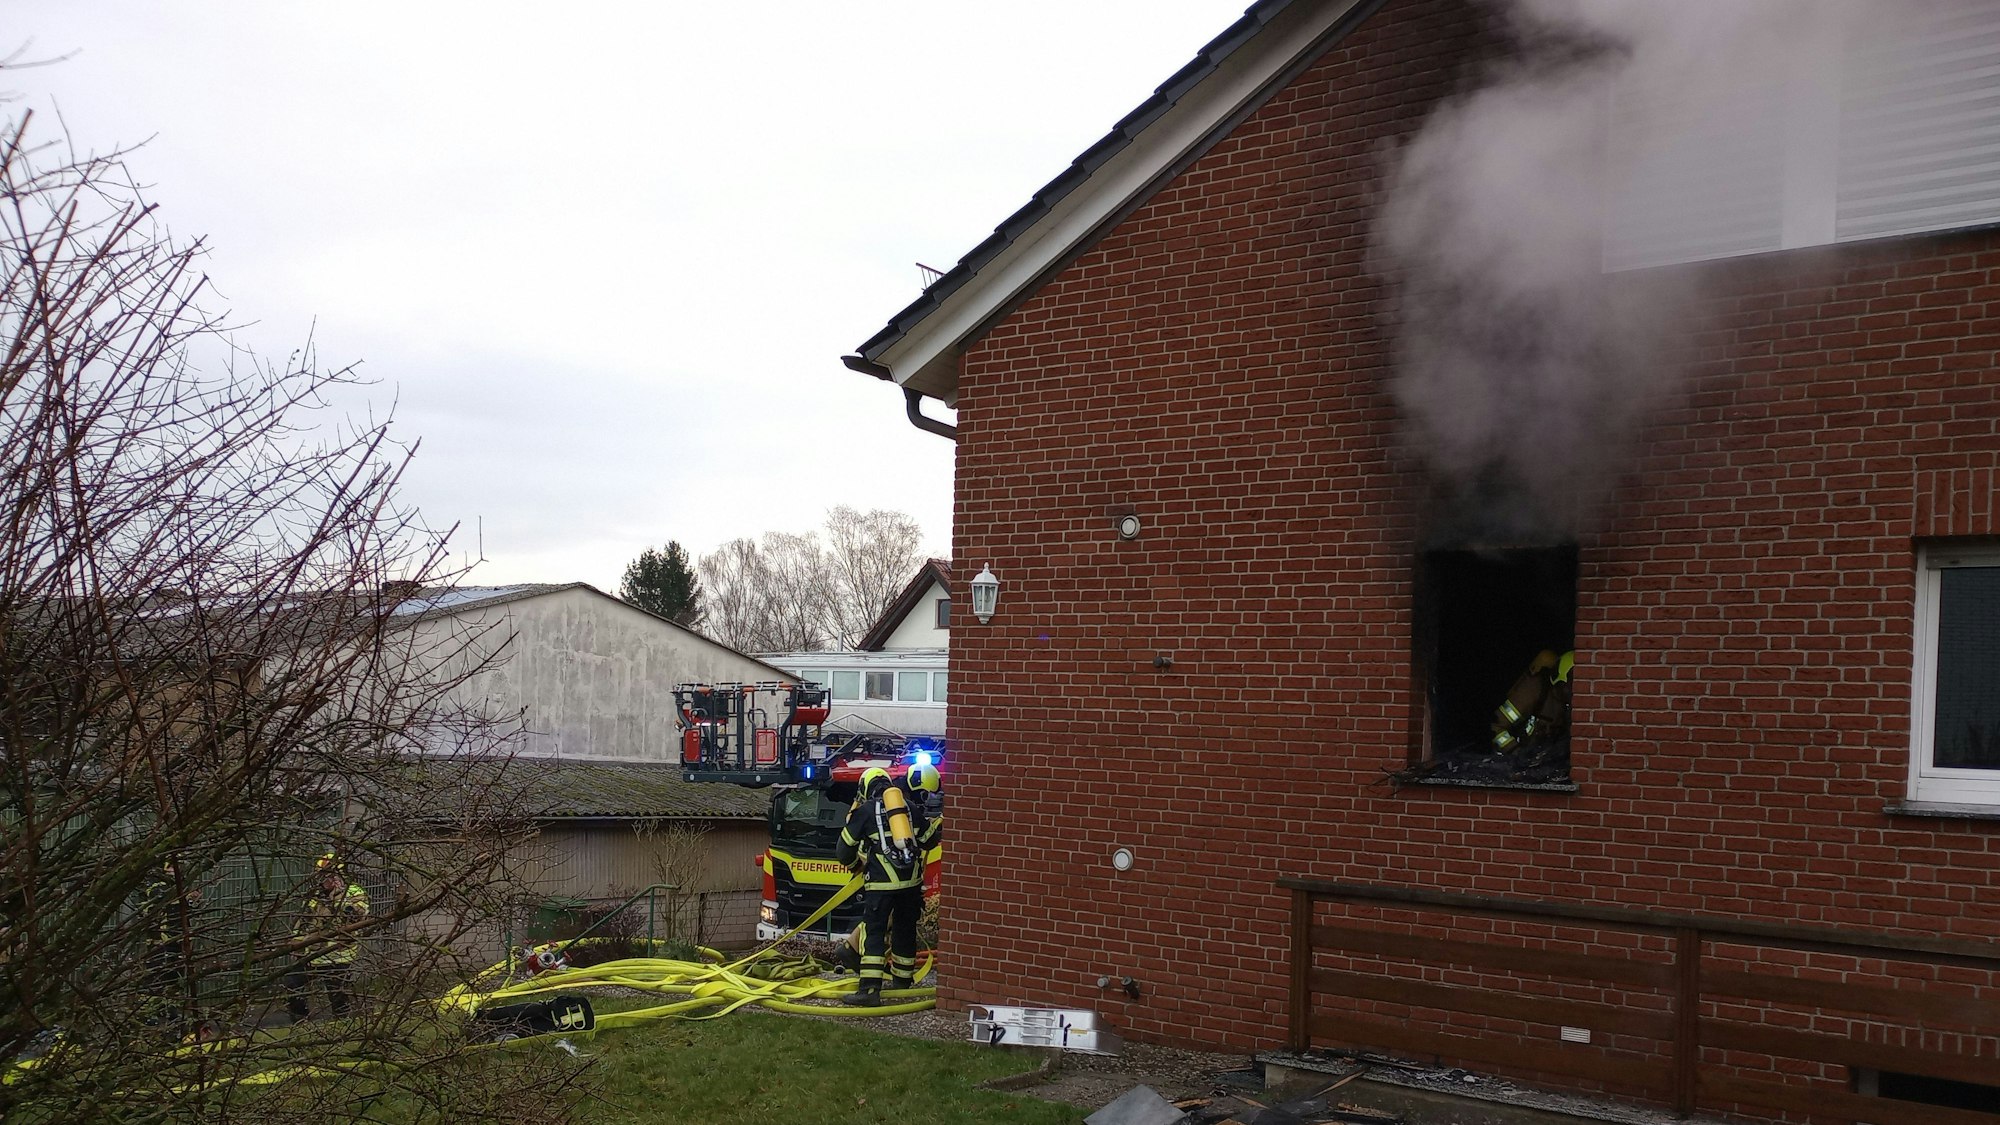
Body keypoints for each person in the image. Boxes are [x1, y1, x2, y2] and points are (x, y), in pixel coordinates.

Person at [835, 767, 936, 1006]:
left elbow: (843, 850)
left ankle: (869, 991)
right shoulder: (908, 808)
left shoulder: (866, 811)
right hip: (911, 884)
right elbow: (930, 839)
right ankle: (902, 982)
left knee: (874, 933)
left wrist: (855, 865)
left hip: (881, 885)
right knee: (904, 930)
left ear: (866, 789)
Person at [286, 854, 369, 1022]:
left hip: (337, 954)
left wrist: (336, 898)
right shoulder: (316, 894)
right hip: (312, 953)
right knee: (292, 984)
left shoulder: (354, 893)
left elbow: (355, 917)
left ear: (337, 876)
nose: (320, 880)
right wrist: (296, 942)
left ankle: (343, 1024)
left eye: (325, 876)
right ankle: (301, 1023)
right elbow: (304, 921)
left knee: (336, 993)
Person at [1490, 649, 1574, 758]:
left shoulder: (1570, 705)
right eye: (1573, 683)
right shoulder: (1533, 690)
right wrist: (1517, 752)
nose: (1576, 690)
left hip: (1542, 761)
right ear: (1560, 679)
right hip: (1508, 760)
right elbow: (1496, 726)